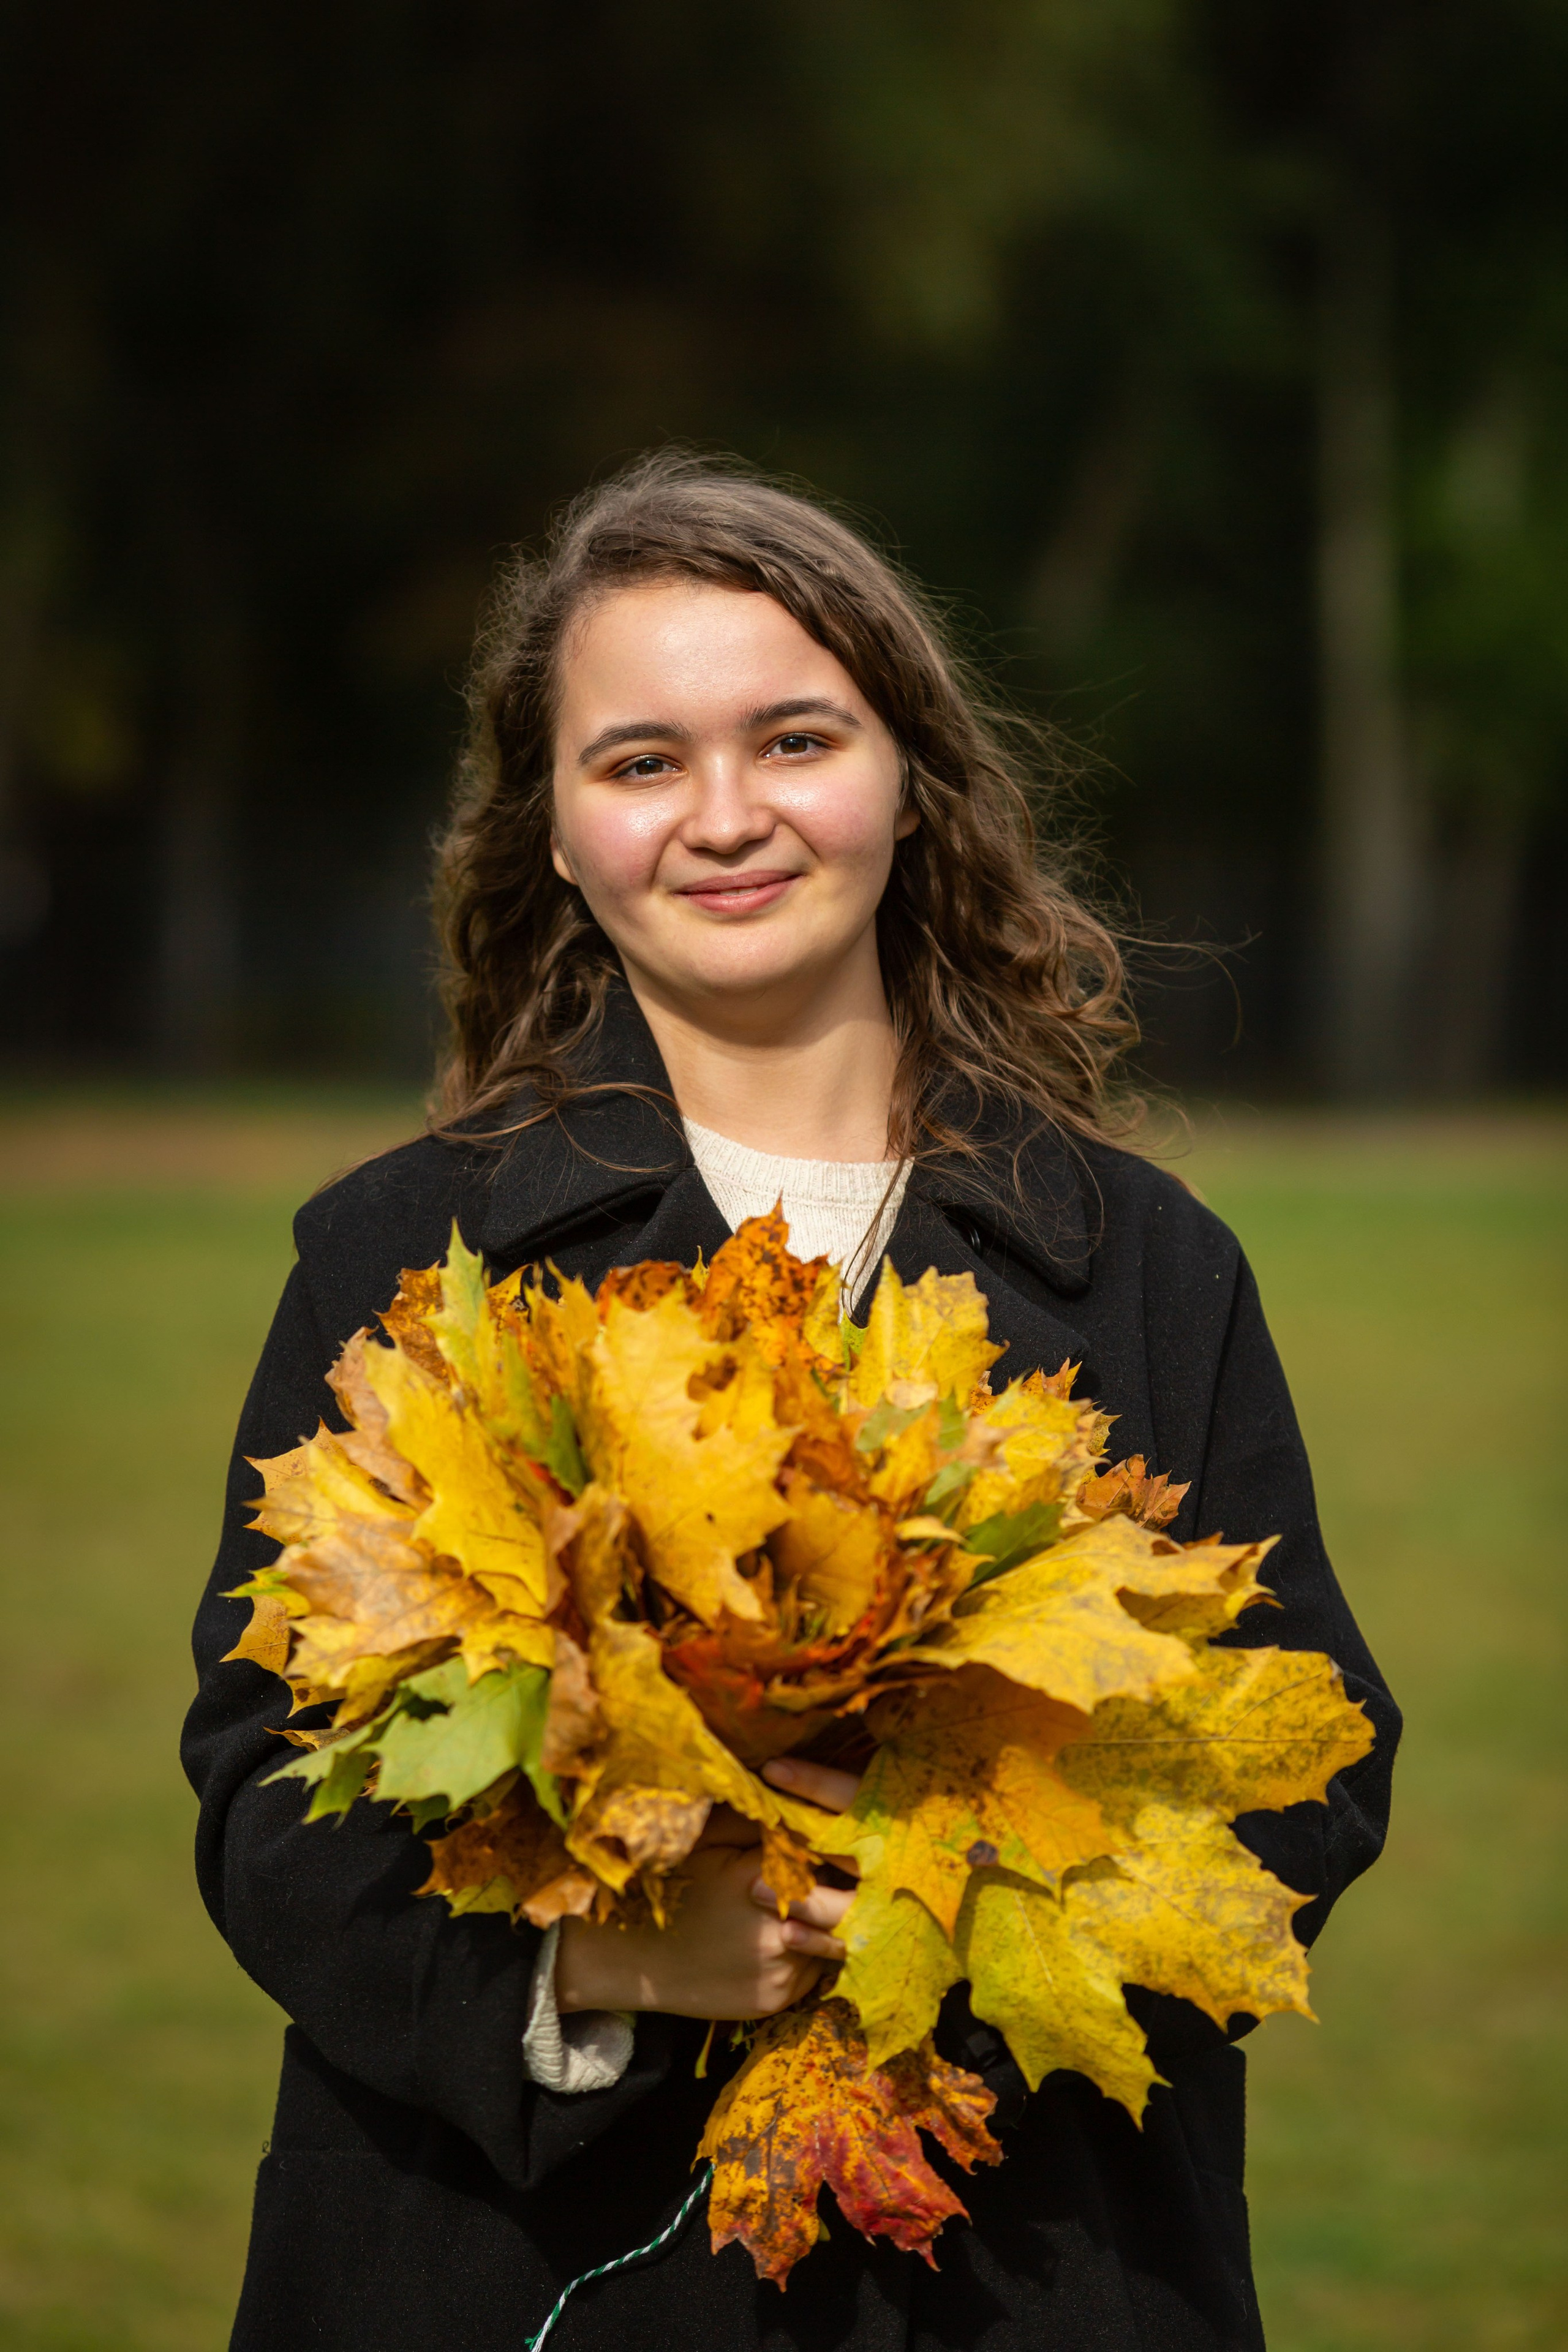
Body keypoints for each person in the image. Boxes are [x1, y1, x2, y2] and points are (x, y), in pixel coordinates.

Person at [182, 451, 1399, 2351]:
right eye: (643, 760)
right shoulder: (407, 1263)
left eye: (795, 739)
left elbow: (1309, 1772)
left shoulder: (1150, 1267)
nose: (727, 816)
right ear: (561, 828)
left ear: (907, 776)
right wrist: (593, 1958)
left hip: (1022, 2275)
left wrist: (949, 1904)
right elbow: (265, 1798)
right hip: (511, 2275)